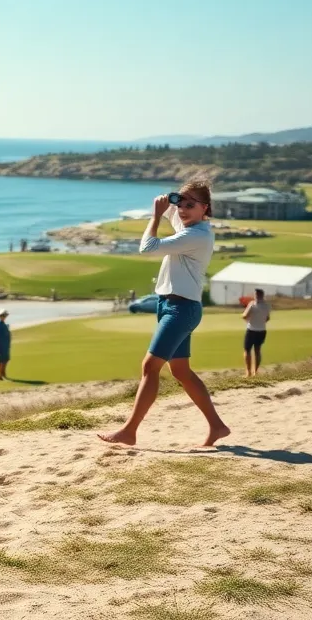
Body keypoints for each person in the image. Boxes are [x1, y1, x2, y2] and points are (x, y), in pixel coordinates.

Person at [99, 181, 230, 448]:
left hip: (181, 309)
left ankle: (129, 431)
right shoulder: (191, 227)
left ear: (206, 208)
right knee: (181, 371)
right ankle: (217, 426)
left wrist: (156, 215)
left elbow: (148, 247)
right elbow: (175, 212)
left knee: (150, 367)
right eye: (180, 203)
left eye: (190, 205)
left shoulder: (195, 236)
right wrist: (171, 201)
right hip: (172, 306)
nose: (182, 209)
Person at [242, 289, 271, 377]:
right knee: (257, 351)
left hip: (251, 330)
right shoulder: (267, 306)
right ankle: (256, 371)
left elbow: (245, 316)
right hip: (262, 330)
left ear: (257, 295)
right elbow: (267, 318)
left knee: (247, 351)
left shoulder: (252, 304)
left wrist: (245, 317)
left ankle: (248, 372)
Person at [0, 308, 11, 380]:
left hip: (6, 345)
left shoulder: (3, 324)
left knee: (6, 359)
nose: (4, 317)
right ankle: (0, 374)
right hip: (1, 345)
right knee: (1, 361)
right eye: (3, 316)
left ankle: (2, 372)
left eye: (4, 315)